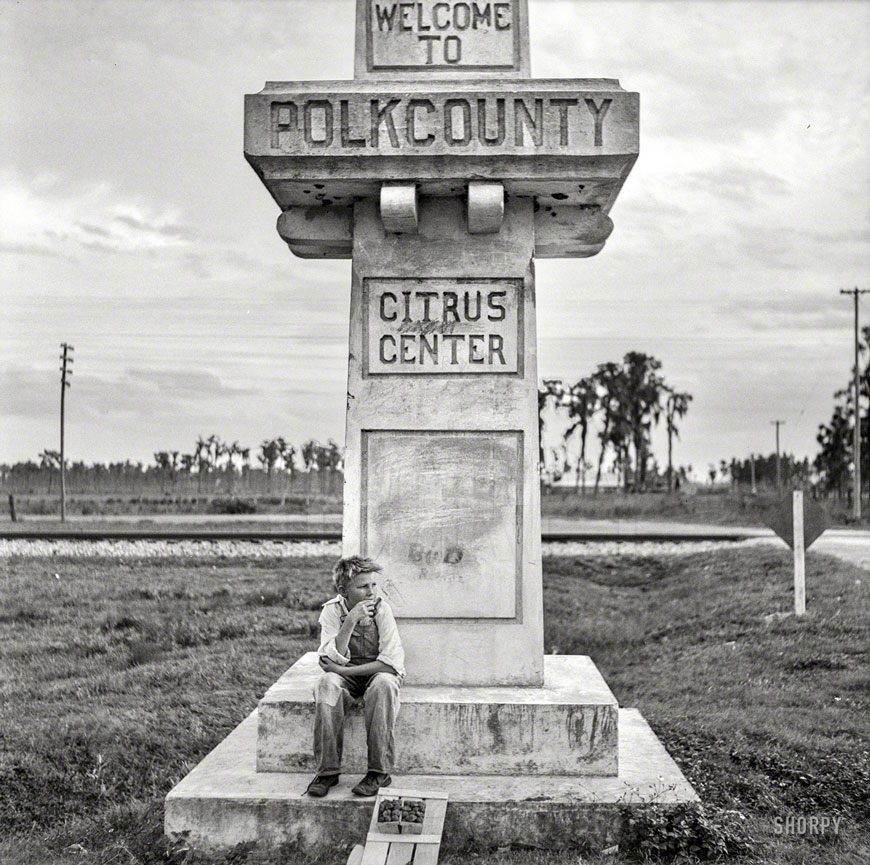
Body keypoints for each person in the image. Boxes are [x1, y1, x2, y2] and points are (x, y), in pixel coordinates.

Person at [306, 555, 404, 798]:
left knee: (383, 686)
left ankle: (379, 771)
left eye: (373, 585)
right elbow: (331, 658)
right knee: (326, 684)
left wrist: (343, 671)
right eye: (362, 587)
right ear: (343, 591)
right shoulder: (331, 612)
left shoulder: (383, 610)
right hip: (346, 677)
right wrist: (350, 620)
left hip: (377, 674)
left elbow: (390, 665)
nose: (371, 592)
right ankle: (327, 771)